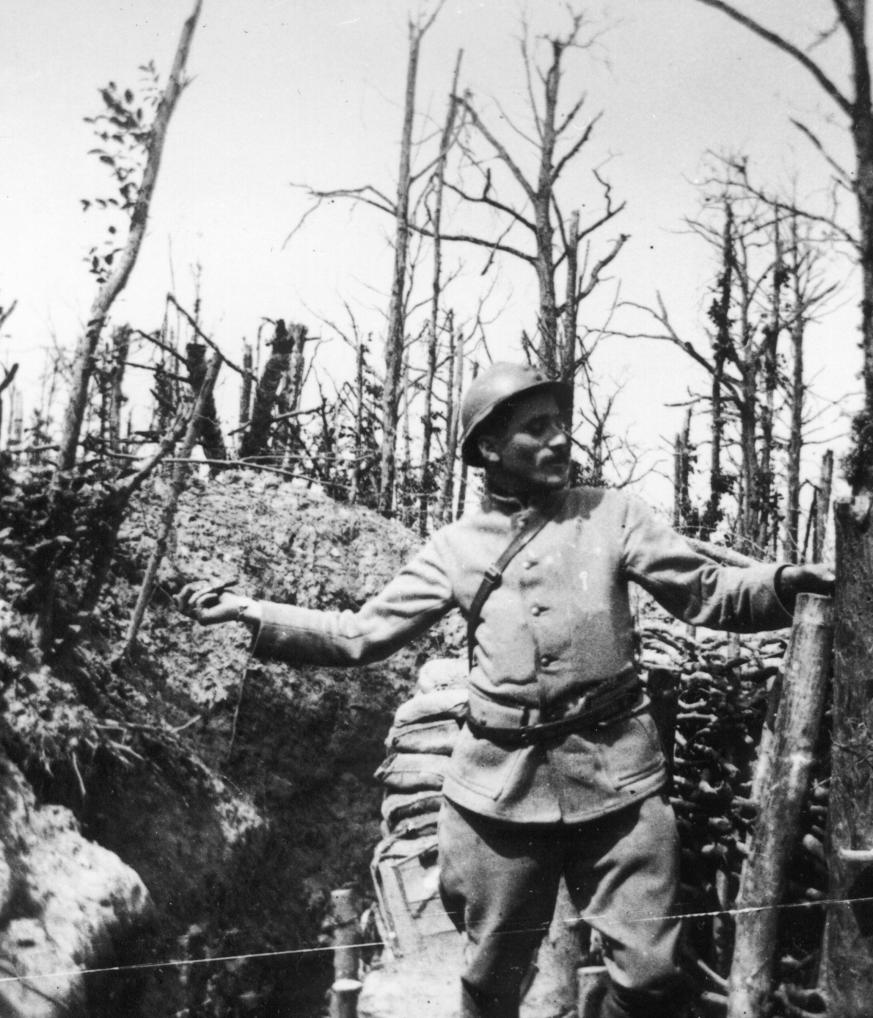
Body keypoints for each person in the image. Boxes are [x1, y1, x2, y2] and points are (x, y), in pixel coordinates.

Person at [178, 362, 834, 1018]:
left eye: (561, 425)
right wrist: (252, 613)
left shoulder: (613, 516)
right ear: (490, 447)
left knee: (651, 978)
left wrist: (784, 584)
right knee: (491, 981)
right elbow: (361, 634)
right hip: (500, 794)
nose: (559, 440)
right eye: (537, 428)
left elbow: (710, 592)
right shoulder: (456, 548)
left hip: (618, 782)